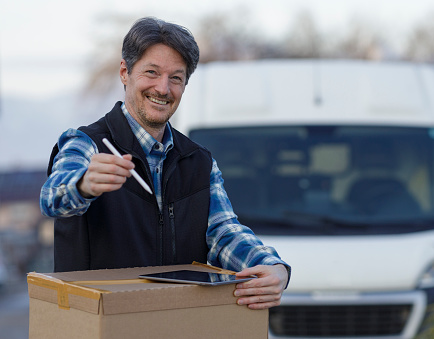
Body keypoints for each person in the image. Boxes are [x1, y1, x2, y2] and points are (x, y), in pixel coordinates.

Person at [40, 16, 289, 310]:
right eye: (151, 72)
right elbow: (52, 198)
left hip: (172, 321)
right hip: (99, 324)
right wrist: (84, 185)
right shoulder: (87, 143)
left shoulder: (199, 161)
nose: (163, 88)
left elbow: (224, 233)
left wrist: (275, 268)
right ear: (124, 72)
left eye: (176, 78)